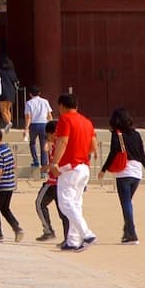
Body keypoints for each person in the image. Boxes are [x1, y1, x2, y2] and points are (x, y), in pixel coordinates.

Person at [48, 94, 97, 252]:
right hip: (83, 166)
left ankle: (86, 233)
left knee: (65, 203)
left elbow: (63, 141)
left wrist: (55, 162)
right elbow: (93, 146)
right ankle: (73, 240)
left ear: (62, 106)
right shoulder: (87, 122)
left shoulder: (65, 119)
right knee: (76, 203)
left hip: (70, 167)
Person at [103, 108, 145, 245]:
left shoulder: (117, 134)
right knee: (128, 202)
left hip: (124, 171)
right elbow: (142, 154)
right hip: (137, 172)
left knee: (126, 203)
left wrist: (103, 169)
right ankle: (127, 231)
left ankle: (131, 234)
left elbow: (113, 152)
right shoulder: (136, 134)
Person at [32, 119, 67, 243]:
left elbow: (54, 164)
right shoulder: (57, 144)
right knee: (63, 211)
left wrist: (46, 167)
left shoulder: (59, 145)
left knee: (40, 204)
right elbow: (46, 148)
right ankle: (66, 237)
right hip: (59, 182)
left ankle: (49, 231)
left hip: (54, 182)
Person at [23, 87, 53, 169]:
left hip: (34, 125)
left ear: (30, 94)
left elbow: (28, 117)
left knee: (32, 143)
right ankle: (44, 164)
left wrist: (26, 128)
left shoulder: (29, 103)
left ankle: (35, 161)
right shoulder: (45, 101)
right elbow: (49, 116)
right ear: (39, 93)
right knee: (43, 144)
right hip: (44, 124)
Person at [0, 58, 20, 127]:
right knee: (8, 110)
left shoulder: (0, 71)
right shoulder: (12, 71)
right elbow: (16, 80)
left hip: (3, 91)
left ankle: (8, 123)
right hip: (11, 92)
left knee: (3, 110)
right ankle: (9, 123)